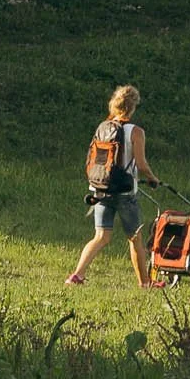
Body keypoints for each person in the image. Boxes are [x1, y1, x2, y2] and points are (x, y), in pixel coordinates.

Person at [66, 84, 161, 287]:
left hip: (101, 188)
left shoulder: (103, 127)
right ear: (133, 107)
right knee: (135, 238)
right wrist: (153, 179)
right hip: (125, 192)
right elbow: (142, 165)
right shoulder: (136, 132)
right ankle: (145, 283)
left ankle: (77, 275)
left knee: (101, 236)